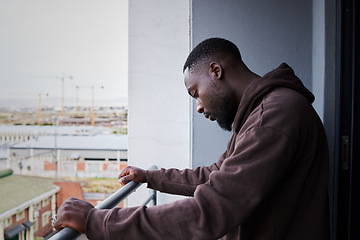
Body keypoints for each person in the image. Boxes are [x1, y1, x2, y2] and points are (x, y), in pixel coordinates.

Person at [54, 38, 330, 240]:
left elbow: (209, 210)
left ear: (216, 71)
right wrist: (152, 177)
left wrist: (97, 221)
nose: (198, 106)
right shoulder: (262, 113)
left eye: (195, 93)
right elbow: (216, 174)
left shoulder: (271, 117)